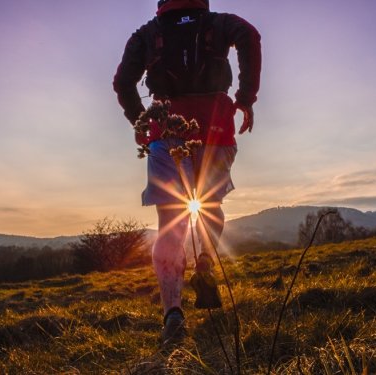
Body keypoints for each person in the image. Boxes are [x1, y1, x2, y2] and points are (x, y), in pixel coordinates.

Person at [113, 0, 261, 345]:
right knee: (210, 204)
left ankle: (173, 313)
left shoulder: (147, 34)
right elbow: (250, 35)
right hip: (217, 128)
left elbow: (123, 82)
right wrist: (246, 97)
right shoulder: (221, 22)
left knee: (171, 220)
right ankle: (206, 257)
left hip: (166, 131)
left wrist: (140, 118)